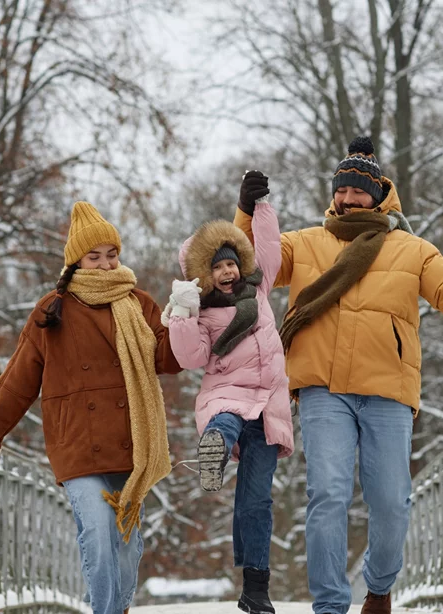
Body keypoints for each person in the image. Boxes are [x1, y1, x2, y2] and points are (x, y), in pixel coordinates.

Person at [234, 138, 443, 614]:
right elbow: (250, 263)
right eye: (343, 190)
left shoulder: (411, 249)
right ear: (333, 194)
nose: (349, 198)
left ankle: (378, 588)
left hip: (387, 390)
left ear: (379, 196)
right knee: (328, 495)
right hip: (323, 389)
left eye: (359, 191)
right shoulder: (306, 243)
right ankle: (331, 606)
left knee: (392, 501)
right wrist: (245, 212)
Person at [0, 201, 181, 614]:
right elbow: (19, 379)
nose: (104, 265)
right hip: (77, 444)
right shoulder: (53, 308)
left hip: (132, 445)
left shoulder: (138, 304)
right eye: (94, 257)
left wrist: (183, 318)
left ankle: (116, 608)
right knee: (97, 534)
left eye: (111, 255)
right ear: (77, 261)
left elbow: (167, 360)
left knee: (127, 547)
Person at [162, 171, 293, 614]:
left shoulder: (260, 291)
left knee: (256, 499)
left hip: (270, 405)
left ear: (240, 263)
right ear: (204, 274)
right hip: (226, 392)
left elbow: (269, 247)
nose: (226, 272)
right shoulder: (202, 314)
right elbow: (190, 358)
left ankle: (255, 589)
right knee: (225, 419)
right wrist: (182, 312)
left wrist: (260, 206)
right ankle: (214, 447)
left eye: (230, 263)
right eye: (216, 267)